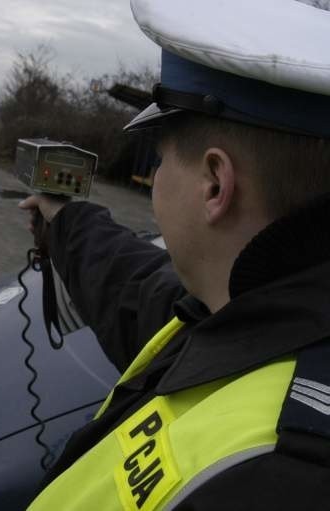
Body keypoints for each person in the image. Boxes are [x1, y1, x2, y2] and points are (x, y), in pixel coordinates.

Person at [19, 0, 330, 509]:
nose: (156, 177)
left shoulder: (282, 476)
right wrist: (63, 217)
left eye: (160, 159)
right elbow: (131, 284)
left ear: (214, 185)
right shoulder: (251, 305)